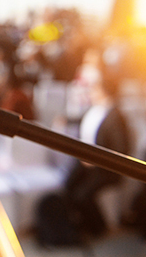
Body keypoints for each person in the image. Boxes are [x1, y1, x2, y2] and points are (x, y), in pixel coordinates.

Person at [63, 73, 133, 237]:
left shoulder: (116, 117)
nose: (91, 93)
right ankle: (77, 222)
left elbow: (121, 148)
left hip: (105, 167)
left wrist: (95, 160)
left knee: (83, 194)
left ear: (104, 92)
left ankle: (96, 228)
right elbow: (81, 121)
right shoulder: (95, 109)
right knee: (67, 185)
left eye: (95, 90)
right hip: (86, 160)